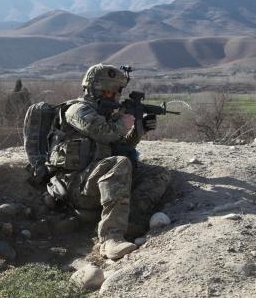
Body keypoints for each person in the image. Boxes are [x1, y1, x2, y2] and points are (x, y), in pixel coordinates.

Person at [45, 64, 171, 260]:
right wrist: (122, 122)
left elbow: (120, 146)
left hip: (101, 179)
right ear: (94, 88)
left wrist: (139, 130)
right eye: (109, 91)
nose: (114, 96)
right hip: (76, 184)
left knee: (158, 173)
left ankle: (131, 222)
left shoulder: (106, 114)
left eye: (116, 92)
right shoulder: (78, 110)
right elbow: (104, 133)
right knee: (119, 163)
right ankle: (110, 238)